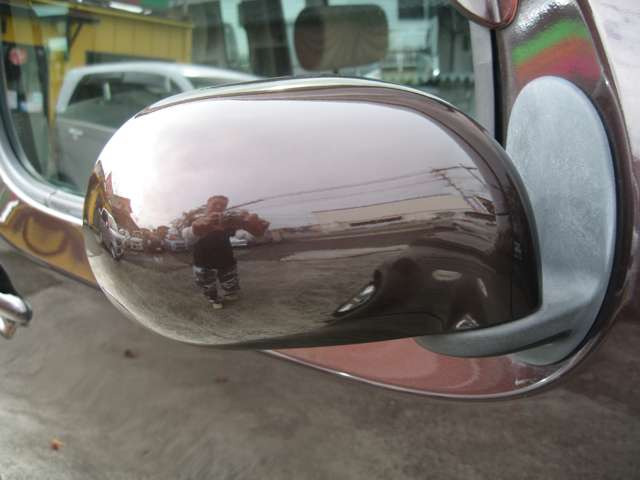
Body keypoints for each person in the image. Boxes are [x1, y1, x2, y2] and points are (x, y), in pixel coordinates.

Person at [181, 195, 269, 309]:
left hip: (226, 260)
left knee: (230, 281)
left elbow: (243, 235)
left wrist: (256, 232)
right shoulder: (195, 220)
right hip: (203, 262)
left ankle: (230, 293)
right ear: (207, 204)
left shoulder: (228, 223)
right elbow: (187, 238)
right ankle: (214, 299)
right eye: (215, 204)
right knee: (208, 285)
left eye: (223, 205)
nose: (219, 207)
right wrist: (194, 231)